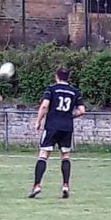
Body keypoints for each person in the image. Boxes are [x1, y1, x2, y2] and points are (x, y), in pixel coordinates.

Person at [29, 66, 86, 200]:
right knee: (65, 155)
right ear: (68, 77)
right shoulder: (74, 91)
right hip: (67, 127)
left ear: (56, 76)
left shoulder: (52, 89)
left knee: (43, 154)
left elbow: (44, 106)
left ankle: (37, 185)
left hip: (52, 126)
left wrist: (38, 121)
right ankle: (65, 185)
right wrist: (70, 117)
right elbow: (82, 110)